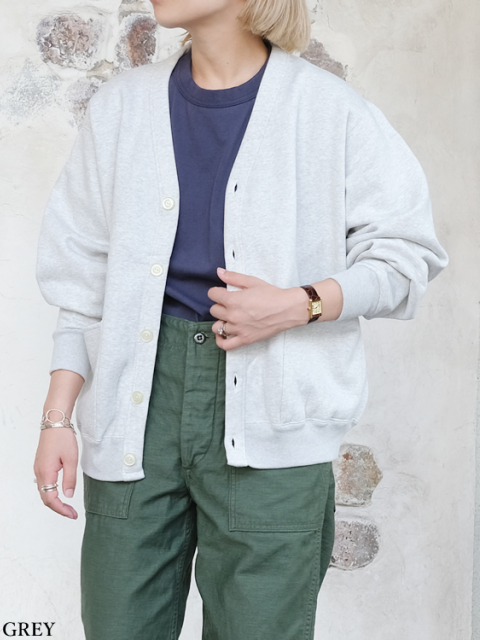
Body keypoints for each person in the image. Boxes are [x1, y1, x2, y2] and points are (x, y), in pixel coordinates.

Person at [33, 0, 449, 637]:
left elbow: (407, 256)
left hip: (274, 420)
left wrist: (299, 304)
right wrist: (57, 417)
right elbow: (83, 275)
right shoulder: (121, 108)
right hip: (136, 414)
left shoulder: (329, 110)